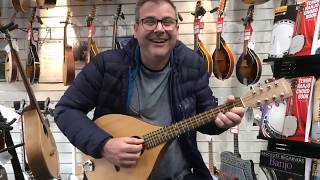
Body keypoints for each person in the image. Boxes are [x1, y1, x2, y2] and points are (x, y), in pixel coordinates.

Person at [54, 0, 245, 179]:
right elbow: (65, 110)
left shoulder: (193, 65)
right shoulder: (107, 65)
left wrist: (222, 121)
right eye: (150, 21)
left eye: (167, 22)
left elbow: (204, 116)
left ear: (176, 29)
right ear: (136, 29)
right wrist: (104, 145)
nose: (160, 29)